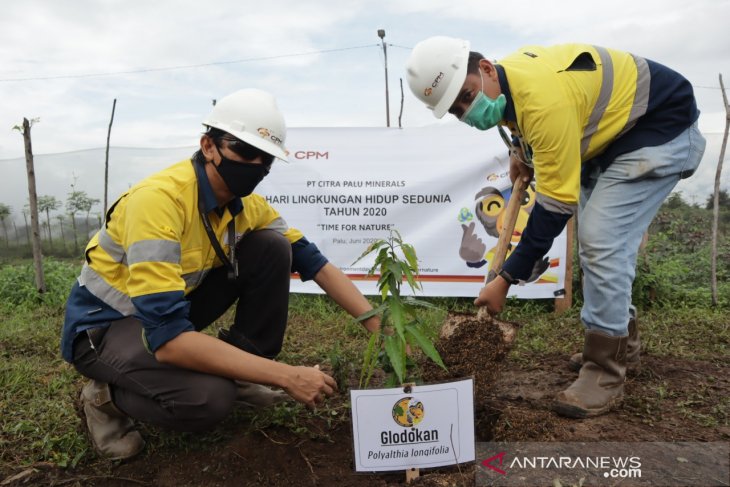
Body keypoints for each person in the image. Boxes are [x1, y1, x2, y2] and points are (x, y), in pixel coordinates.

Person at [61, 88, 381, 460]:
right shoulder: (158, 202)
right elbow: (168, 338)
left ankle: (242, 372)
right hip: (105, 328)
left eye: (267, 159)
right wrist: (285, 375)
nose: (256, 164)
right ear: (208, 146)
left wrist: (381, 329)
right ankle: (105, 398)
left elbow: (315, 264)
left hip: (165, 315)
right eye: (245, 151)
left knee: (274, 247)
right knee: (209, 400)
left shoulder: (245, 207)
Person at [405, 37, 705, 418]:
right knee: (602, 242)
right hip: (616, 139)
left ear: (485, 69)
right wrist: (519, 150)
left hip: (661, 127)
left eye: (466, 95)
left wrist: (506, 278)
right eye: (456, 109)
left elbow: (556, 203)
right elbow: (526, 120)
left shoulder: (543, 100)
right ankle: (621, 347)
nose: (468, 110)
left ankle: (605, 372)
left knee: (601, 241)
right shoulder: (512, 83)